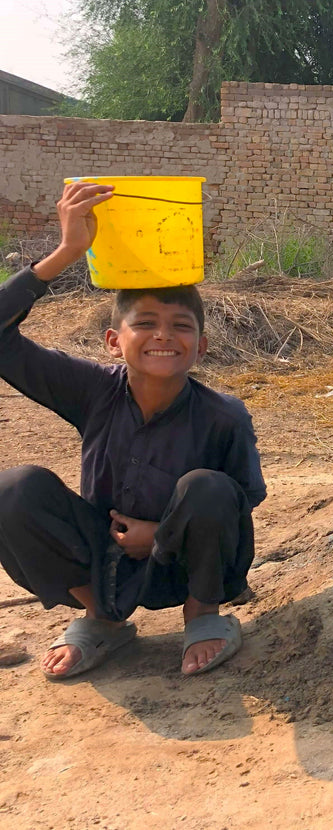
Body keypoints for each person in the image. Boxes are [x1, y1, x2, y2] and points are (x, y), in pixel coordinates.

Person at [0, 181, 266, 679]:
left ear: (201, 346)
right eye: (145, 323)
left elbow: (240, 504)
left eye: (180, 326)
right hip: (103, 559)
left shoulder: (225, 414)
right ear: (112, 342)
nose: (164, 335)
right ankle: (101, 620)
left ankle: (203, 618)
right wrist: (68, 251)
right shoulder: (91, 390)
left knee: (208, 487)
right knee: (12, 490)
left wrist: (161, 536)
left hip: (185, 568)